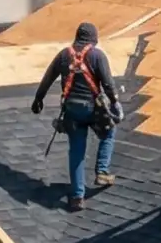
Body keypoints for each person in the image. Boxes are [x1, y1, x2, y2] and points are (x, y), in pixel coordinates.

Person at [30, 21, 119, 212]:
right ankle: (102, 171)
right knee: (109, 132)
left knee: (77, 151)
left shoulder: (64, 55)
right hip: (93, 109)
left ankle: (77, 196)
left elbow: (48, 77)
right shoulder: (97, 56)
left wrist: (38, 98)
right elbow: (108, 84)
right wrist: (115, 103)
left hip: (71, 110)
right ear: (93, 39)